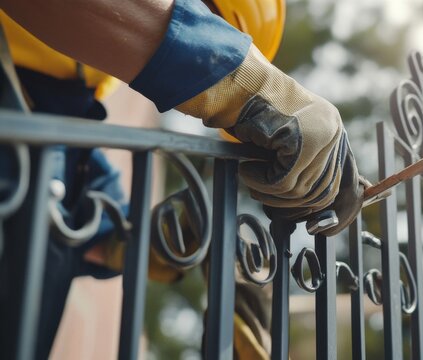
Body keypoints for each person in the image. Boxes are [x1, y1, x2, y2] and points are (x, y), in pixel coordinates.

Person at [0, 0, 367, 358]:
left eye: (200, 19)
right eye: (195, 15)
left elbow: (80, 232)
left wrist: (165, 238)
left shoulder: (70, 136)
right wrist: (247, 82)